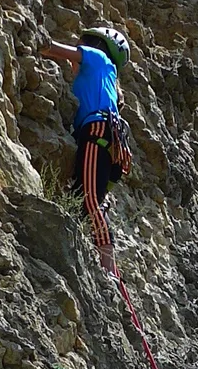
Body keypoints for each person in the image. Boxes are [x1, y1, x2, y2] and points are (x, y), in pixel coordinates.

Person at [36, 23, 133, 273]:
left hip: (97, 131)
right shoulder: (103, 80)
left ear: (95, 45)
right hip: (107, 138)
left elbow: (57, 50)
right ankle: (99, 261)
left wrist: (38, 43)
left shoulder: (98, 59)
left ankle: (109, 268)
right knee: (84, 199)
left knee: (89, 199)